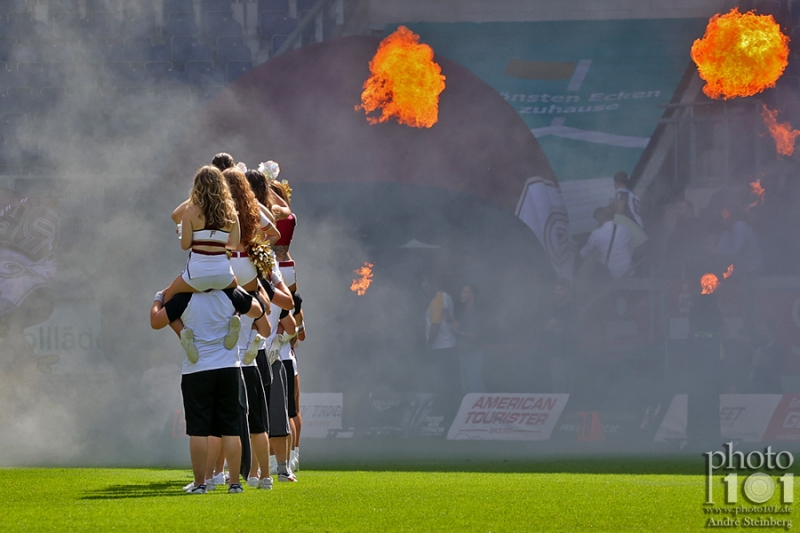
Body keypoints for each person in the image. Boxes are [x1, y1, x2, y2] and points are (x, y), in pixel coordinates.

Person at [149, 286, 265, 494]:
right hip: (229, 367)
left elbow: (156, 321)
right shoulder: (230, 293)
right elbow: (259, 310)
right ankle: (235, 484)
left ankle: (200, 483)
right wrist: (239, 304)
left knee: (199, 430)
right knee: (231, 428)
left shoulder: (184, 297)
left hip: (197, 369)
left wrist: (158, 298)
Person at [164, 166, 242, 358]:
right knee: (241, 299)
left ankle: (184, 335)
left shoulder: (191, 211)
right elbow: (235, 244)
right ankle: (236, 318)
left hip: (196, 275)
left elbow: (185, 245)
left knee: (166, 298)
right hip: (224, 274)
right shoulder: (230, 211)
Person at [424, 273, 459, 409]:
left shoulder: (439, 298)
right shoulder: (444, 297)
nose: (424, 288)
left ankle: (445, 411)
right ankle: (448, 408)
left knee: (444, 382)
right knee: (448, 381)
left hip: (442, 347)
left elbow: (436, 324)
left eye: (426, 284)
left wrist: (428, 346)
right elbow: (448, 319)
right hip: (447, 346)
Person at [580, 207, 633, 280]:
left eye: (597, 220)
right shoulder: (625, 228)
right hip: (628, 270)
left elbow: (584, 253)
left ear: (600, 219)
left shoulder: (596, 234)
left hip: (611, 274)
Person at [452, 284, 486, 395]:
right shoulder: (465, 311)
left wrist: (457, 331)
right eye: (462, 292)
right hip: (464, 354)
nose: (462, 294)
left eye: (465, 292)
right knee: (466, 388)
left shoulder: (474, 313)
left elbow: (474, 335)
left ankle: (483, 411)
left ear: (472, 295)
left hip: (472, 354)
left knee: (475, 386)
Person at [748, 319, 785, 394]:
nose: (759, 334)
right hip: (753, 391)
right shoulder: (757, 347)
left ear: (772, 332)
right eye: (758, 331)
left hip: (770, 392)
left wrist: (750, 346)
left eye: (762, 331)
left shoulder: (777, 348)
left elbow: (767, 363)